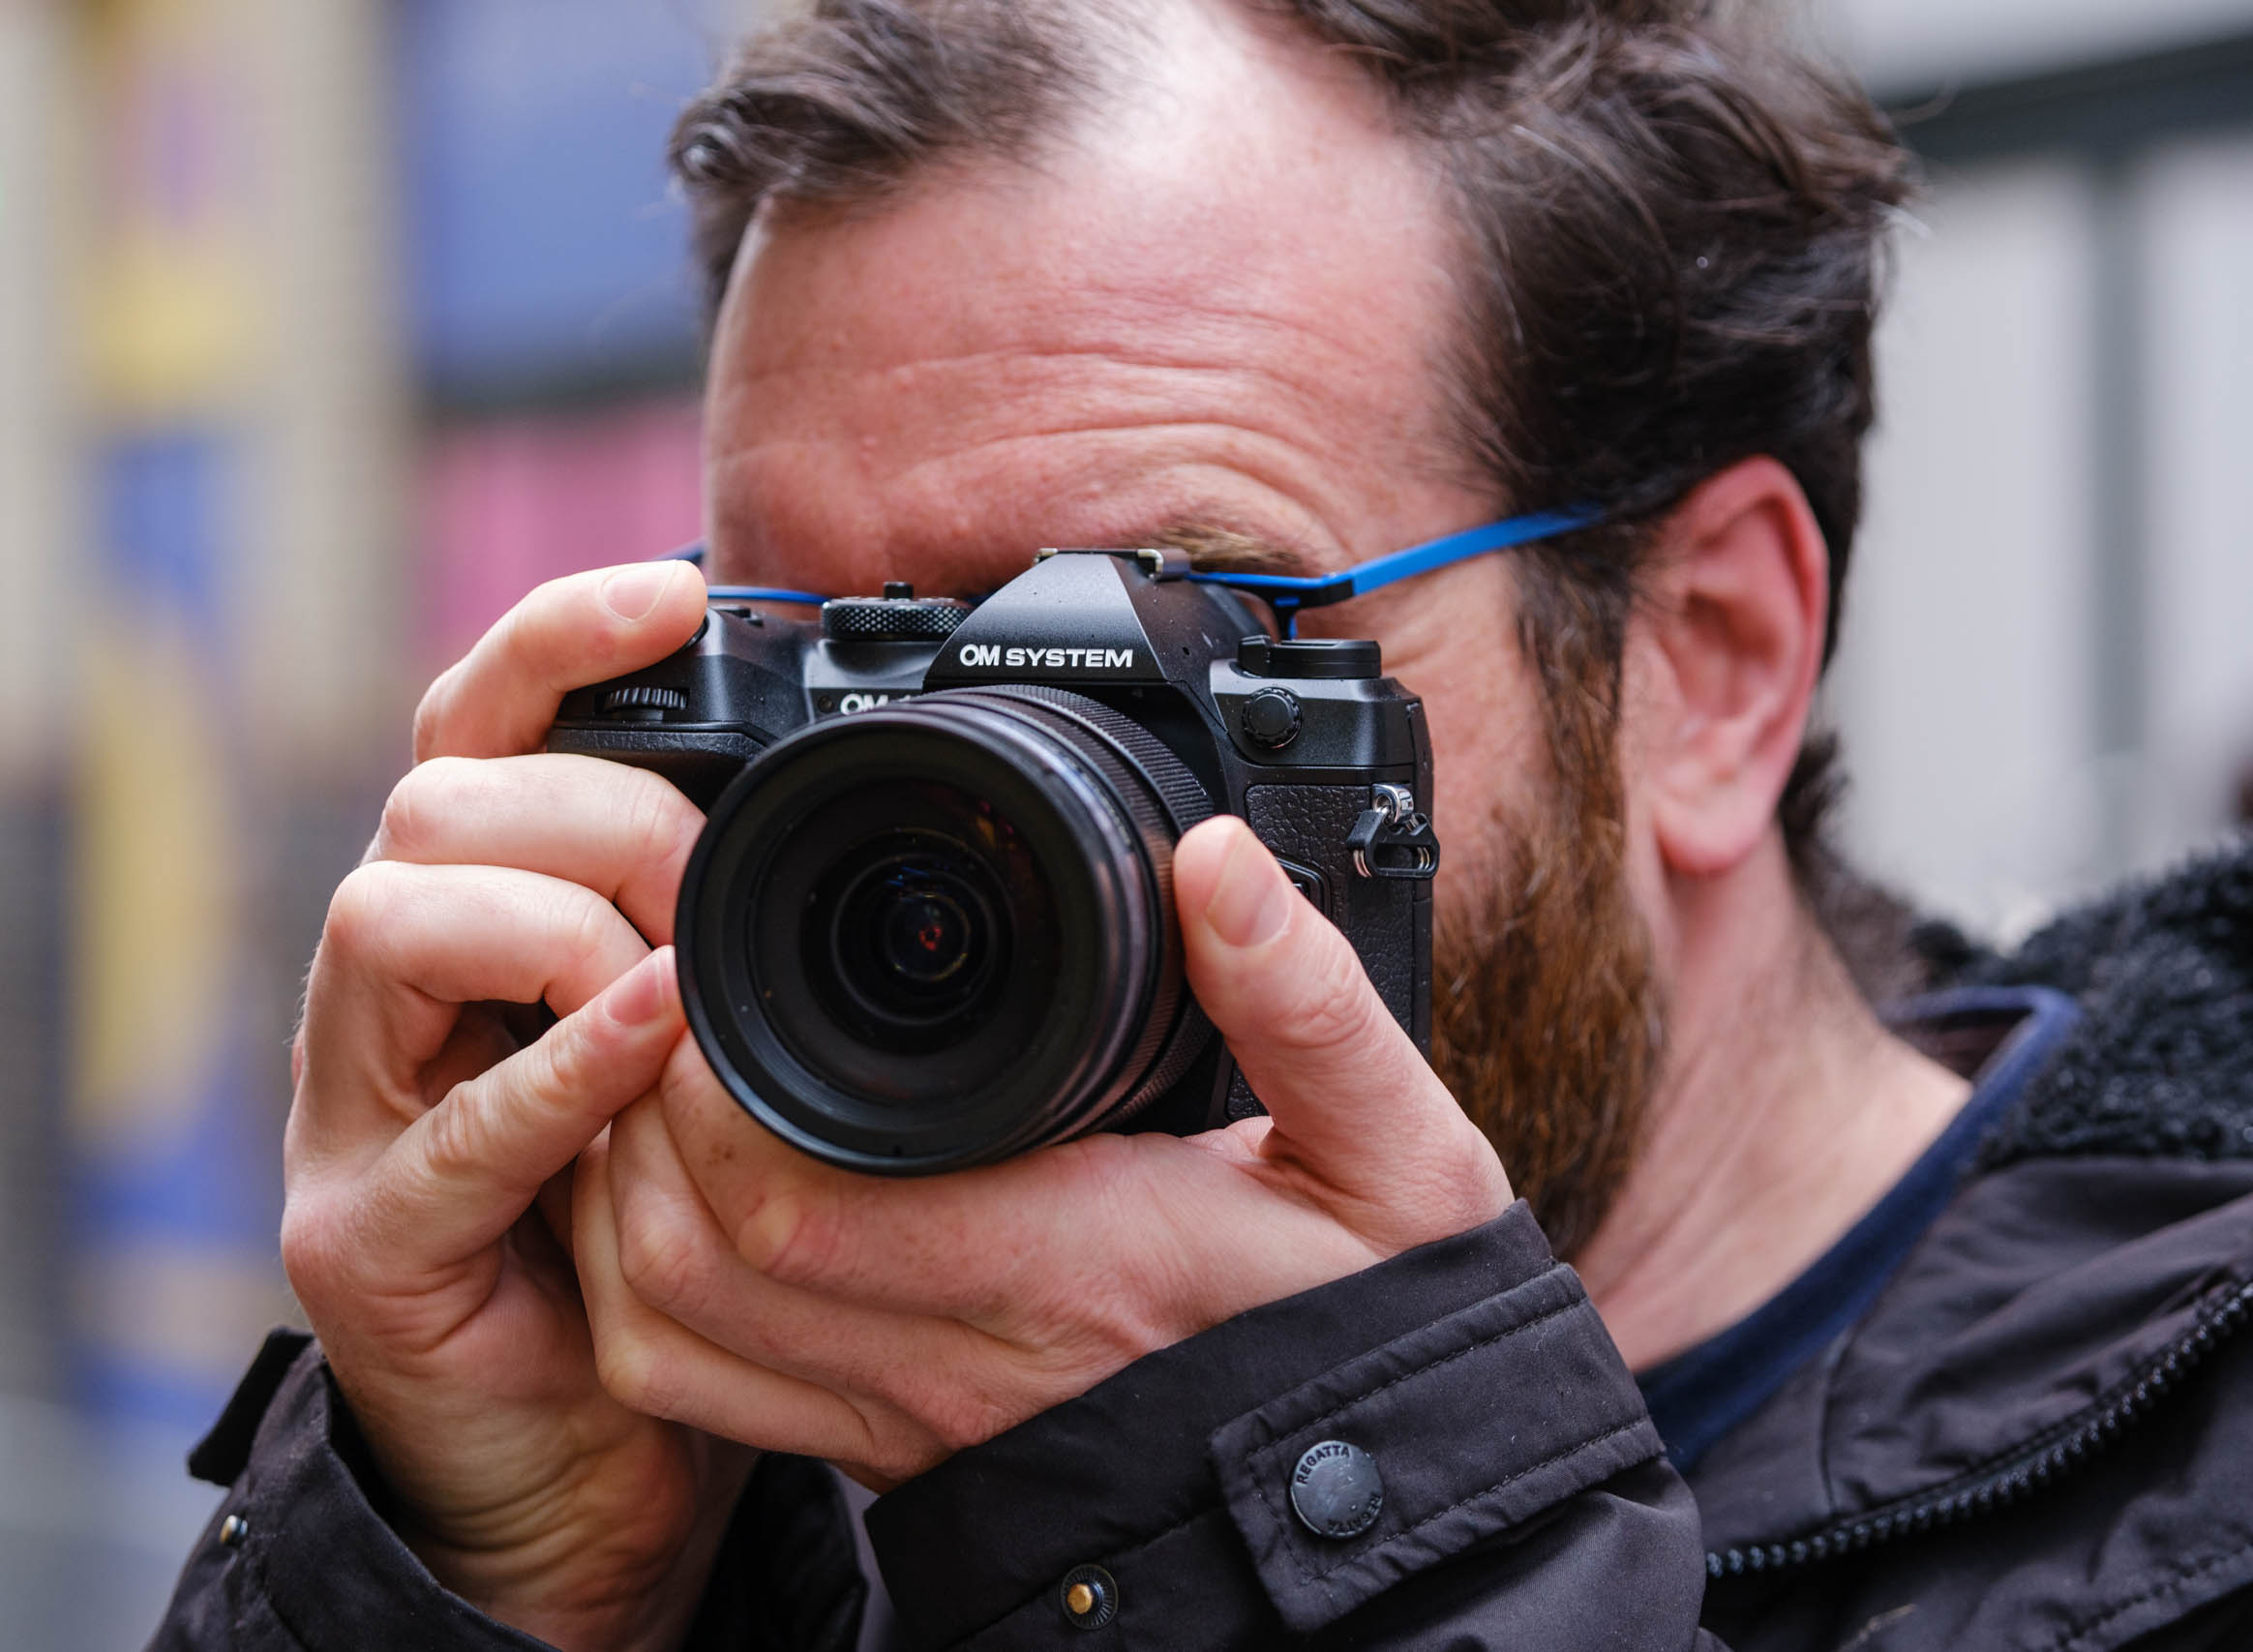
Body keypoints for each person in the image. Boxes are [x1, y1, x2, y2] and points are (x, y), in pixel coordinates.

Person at [153, 0, 2253, 1647]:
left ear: (1708, 662)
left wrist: (1268, 1525)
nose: (944, 809)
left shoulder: (2189, 1505)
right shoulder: (747, 1458)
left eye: (1182, 631)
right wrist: (496, 1576)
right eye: (837, 661)